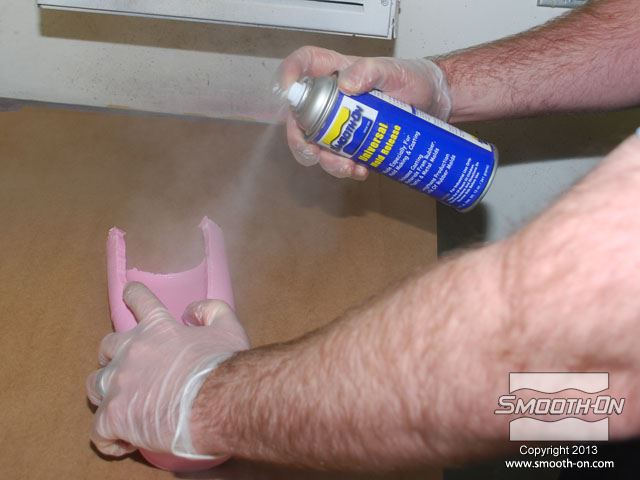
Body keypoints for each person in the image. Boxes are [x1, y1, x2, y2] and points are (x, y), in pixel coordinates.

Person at [86, 0, 640, 471]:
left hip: (598, 409)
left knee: (572, 430)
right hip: (593, 412)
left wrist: (208, 400)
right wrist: (443, 85)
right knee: (568, 435)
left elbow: (540, 369)